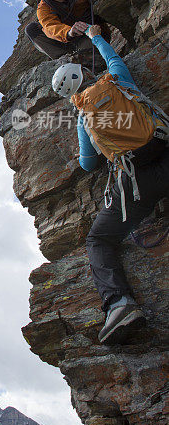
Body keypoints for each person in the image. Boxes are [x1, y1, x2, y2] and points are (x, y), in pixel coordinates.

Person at [51, 25, 169, 345]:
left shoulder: (83, 117)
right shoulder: (115, 78)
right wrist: (94, 36)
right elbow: (112, 56)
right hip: (164, 151)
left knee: (99, 240)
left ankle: (120, 305)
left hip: (136, 184)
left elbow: (88, 164)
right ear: (86, 72)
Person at [26, 0, 111, 59]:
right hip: (69, 38)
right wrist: (69, 32)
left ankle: (82, 57)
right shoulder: (44, 8)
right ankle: (65, 59)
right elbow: (50, 27)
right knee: (31, 29)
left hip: (93, 31)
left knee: (89, 55)